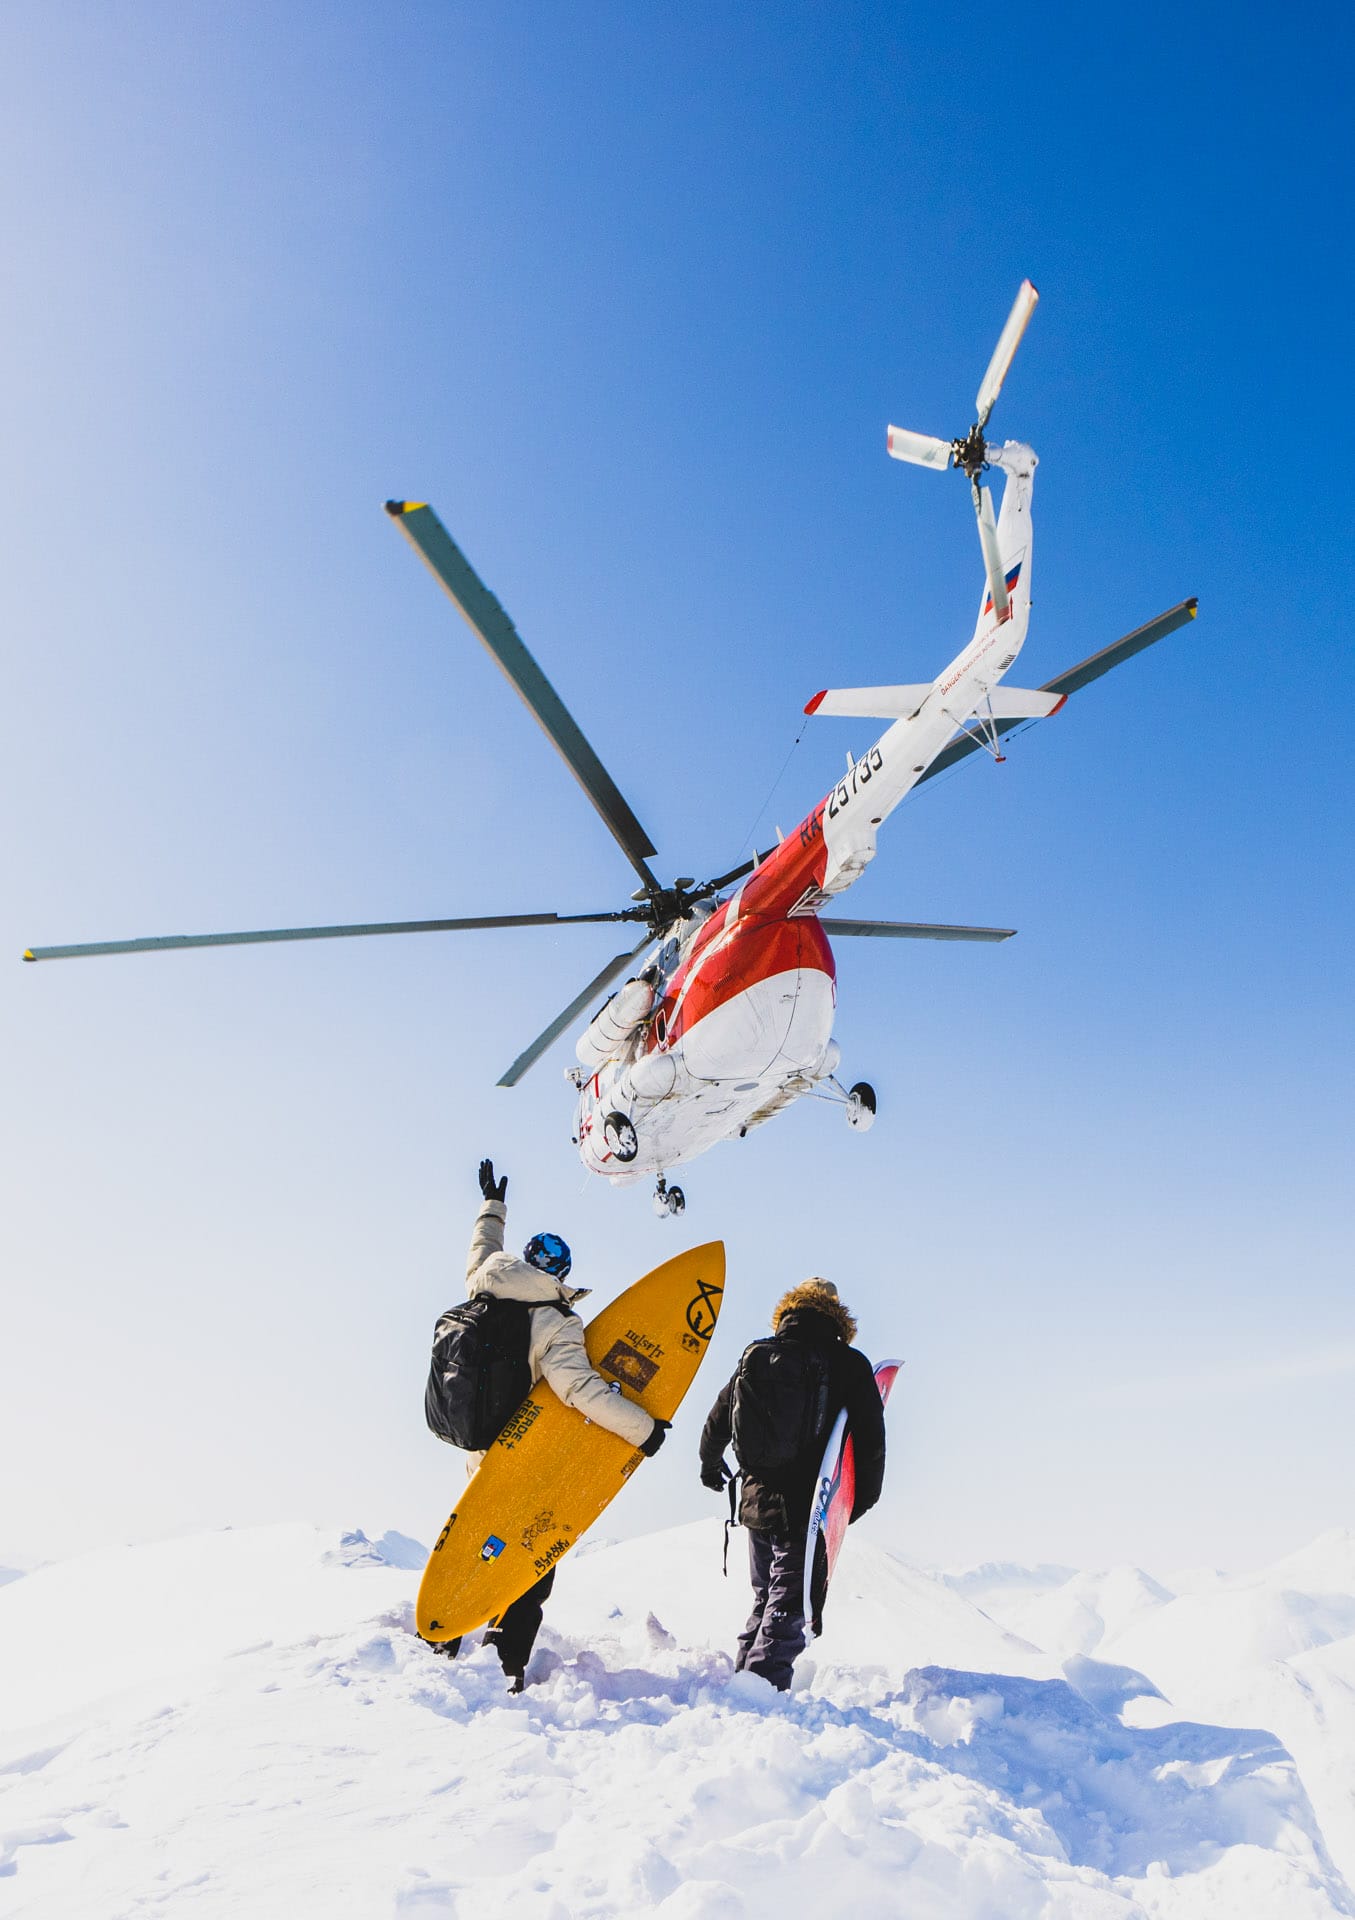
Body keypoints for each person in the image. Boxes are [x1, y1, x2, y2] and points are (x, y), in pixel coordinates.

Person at [438, 1158, 667, 1691]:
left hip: (479, 1451)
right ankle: (503, 1665)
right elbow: (579, 1389)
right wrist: (644, 1430)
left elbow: (483, 1252)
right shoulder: (554, 1319)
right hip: (526, 1454)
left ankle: (443, 1638)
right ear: (557, 1276)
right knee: (529, 1562)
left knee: (478, 1543)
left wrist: (491, 1208)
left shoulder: (484, 1287)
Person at [699, 1279, 884, 1690]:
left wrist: (710, 1466)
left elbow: (720, 1416)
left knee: (767, 1596)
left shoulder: (759, 1354)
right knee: (788, 1603)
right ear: (837, 1313)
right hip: (807, 1503)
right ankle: (759, 1690)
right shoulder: (847, 1362)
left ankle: (745, 1682)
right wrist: (856, 1502)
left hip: (756, 1499)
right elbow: (870, 1438)